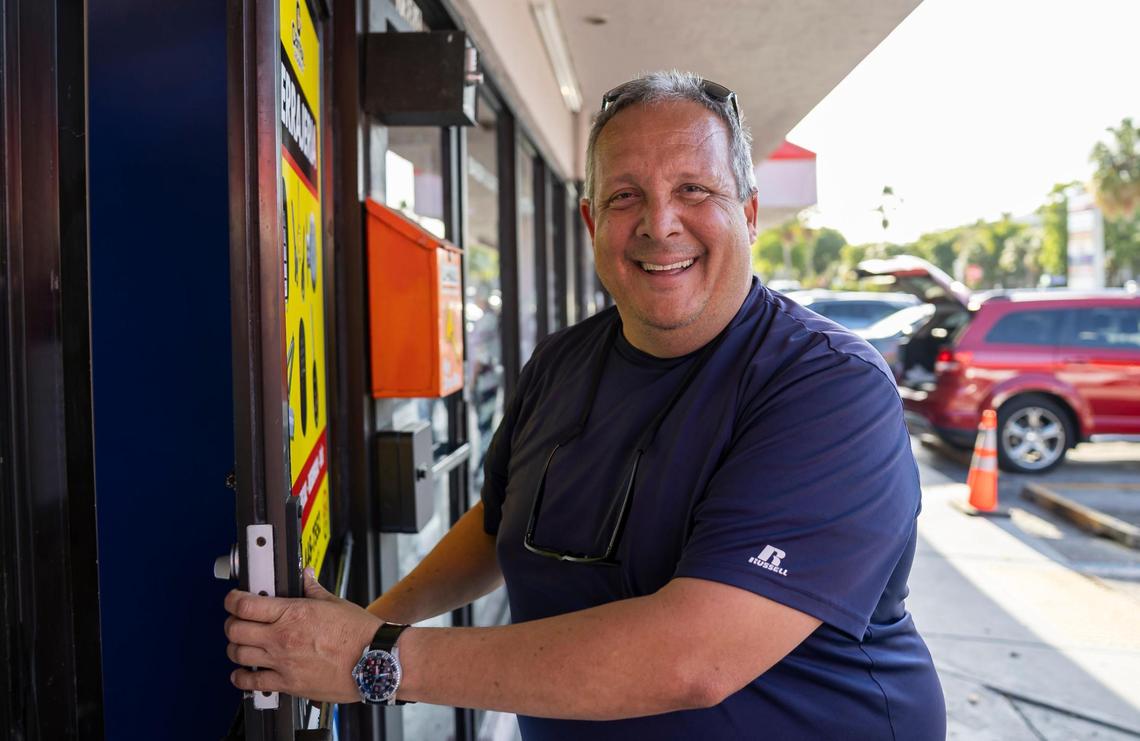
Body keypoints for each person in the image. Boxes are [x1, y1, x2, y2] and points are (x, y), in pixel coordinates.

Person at [225, 70, 946, 739]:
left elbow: (693, 658)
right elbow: (501, 522)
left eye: (695, 189)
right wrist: (370, 620)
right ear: (590, 220)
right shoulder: (563, 362)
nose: (659, 223)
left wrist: (374, 658)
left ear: (750, 212)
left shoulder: (827, 388)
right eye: (625, 195)